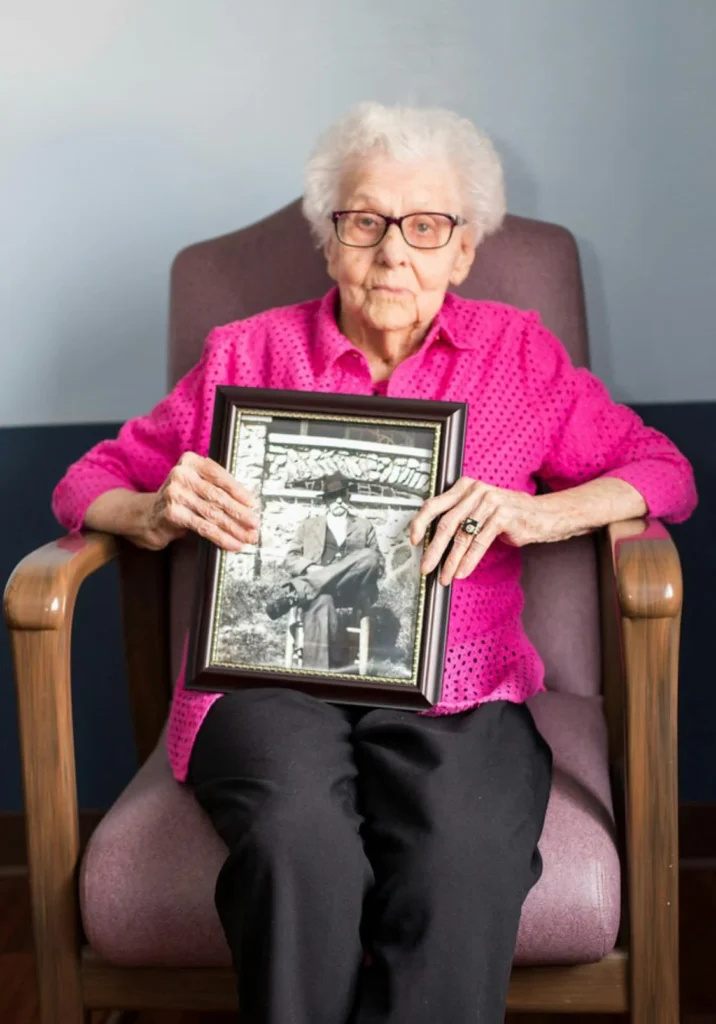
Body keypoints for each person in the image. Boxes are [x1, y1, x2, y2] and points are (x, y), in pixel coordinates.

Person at [51, 102, 698, 1024]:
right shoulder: (246, 353)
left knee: (464, 856)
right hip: (267, 681)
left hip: (462, 685)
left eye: (426, 226)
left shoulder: (518, 355)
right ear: (330, 240)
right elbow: (90, 479)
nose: (395, 252)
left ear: (463, 251)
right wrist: (153, 513)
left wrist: (540, 512)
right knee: (296, 843)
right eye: (365, 221)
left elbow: (662, 471)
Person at [266, 471, 384, 671]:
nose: (338, 500)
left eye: (342, 495)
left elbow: (379, 565)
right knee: (322, 603)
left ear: (348, 496)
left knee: (369, 556)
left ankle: (297, 593)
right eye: (332, 496)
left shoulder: (364, 526)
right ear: (326, 501)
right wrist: (313, 568)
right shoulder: (308, 525)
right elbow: (290, 559)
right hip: (322, 593)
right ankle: (316, 676)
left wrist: (334, 572)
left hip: (351, 589)